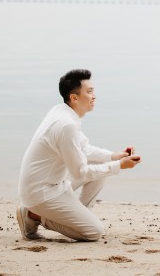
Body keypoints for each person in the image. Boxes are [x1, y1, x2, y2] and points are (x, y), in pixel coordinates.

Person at [16, 68, 141, 241]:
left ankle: (79, 217)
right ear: (74, 98)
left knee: (101, 173)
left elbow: (85, 149)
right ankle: (33, 215)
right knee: (93, 232)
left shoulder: (61, 111)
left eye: (93, 91)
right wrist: (119, 166)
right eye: (89, 92)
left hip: (52, 183)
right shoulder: (66, 125)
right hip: (41, 193)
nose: (94, 96)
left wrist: (115, 156)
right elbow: (80, 173)